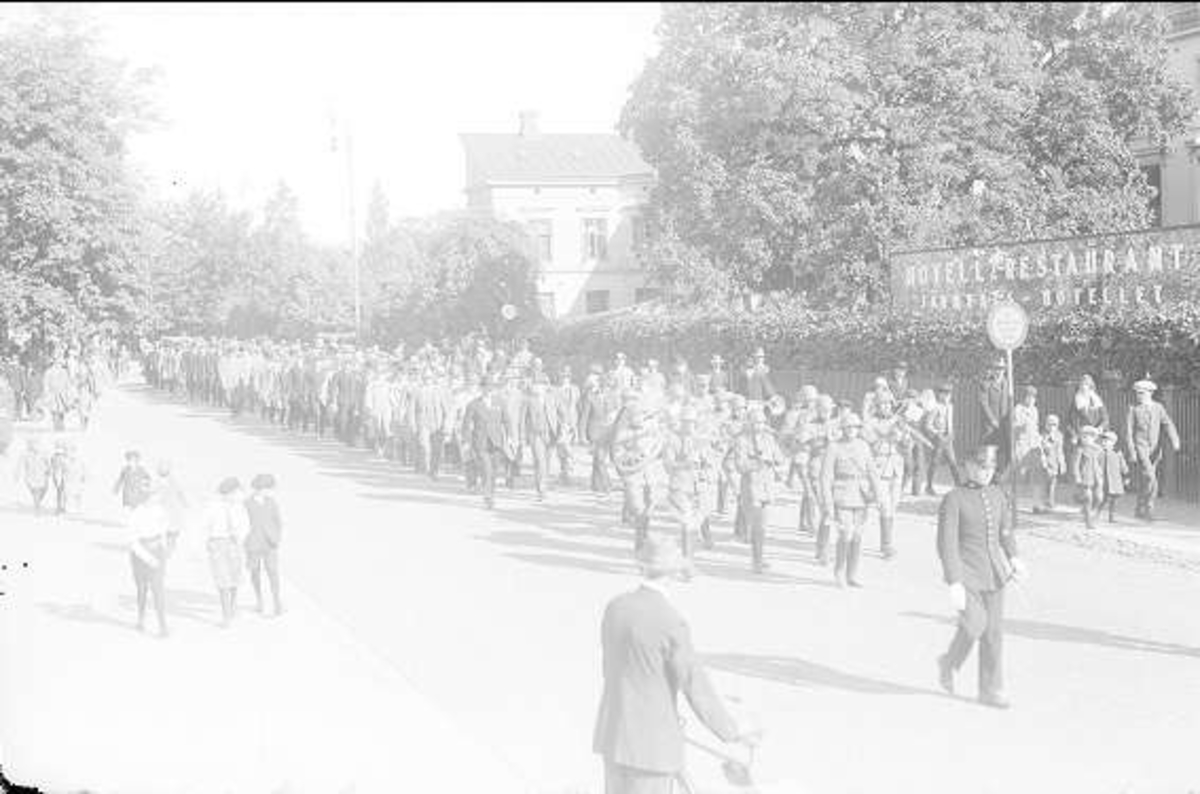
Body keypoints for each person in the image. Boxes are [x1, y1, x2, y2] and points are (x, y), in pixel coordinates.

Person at [592, 534, 759, 793]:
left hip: (613, 736)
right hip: (651, 747)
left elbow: (610, 669)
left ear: (643, 567)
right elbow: (694, 685)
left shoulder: (616, 607)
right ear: (673, 574)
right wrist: (731, 732)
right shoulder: (670, 621)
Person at [936, 445, 1027, 710]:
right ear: (968, 466)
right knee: (974, 623)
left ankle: (990, 689)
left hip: (995, 573)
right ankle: (949, 662)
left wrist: (1014, 558)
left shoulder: (997, 494)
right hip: (967, 573)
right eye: (981, 467)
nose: (986, 472)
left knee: (993, 633)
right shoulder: (954, 499)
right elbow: (946, 543)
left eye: (990, 467)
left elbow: (1005, 531)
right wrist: (954, 580)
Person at [821, 413, 881, 587]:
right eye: (848, 427)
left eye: (855, 427)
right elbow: (826, 477)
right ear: (842, 429)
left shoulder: (863, 446)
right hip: (842, 495)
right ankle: (839, 572)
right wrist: (828, 503)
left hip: (861, 495)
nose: (852, 430)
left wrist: (878, 496)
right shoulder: (834, 447)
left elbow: (872, 472)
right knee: (845, 534)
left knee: (857, 536)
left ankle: (852, 575)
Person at [732, 404, 785, 574]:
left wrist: (773, 458)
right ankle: (757, 561)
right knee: (757, 526)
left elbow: (780, 458)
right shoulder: (741, 440)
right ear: (749, 423)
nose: (759, 426)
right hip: (751, 487)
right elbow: (740, 466)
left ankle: (759, 558)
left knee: (763, 527)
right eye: (755, 423)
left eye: (762, 423)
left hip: (766, 487)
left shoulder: (769, 439)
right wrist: (758, 463)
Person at [1125, 379, 1180, 521]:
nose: (1139, 396)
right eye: (1137, 393)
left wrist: (1174, 439)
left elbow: (1167, 424)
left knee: (1146, 480)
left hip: (1155, 450)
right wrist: (1132, 451)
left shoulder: (1158, 407)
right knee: (1151, 478)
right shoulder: (1133, 409)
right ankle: (1149, 508)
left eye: (1142, 393)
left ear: (1150, 393)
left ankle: (1139, 508)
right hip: (1140, 447)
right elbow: (1128, 432)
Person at [201, 477, 249, 627]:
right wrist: (206, 542)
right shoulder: (213, 506)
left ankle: (233, 606)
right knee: (222, 579)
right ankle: (226, 615)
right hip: (217, 542)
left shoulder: (239, 507)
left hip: (234, 543)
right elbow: (204, 525)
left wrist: (240, 537)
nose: (238, 495)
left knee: (235, 577)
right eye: (236, 492)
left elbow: (246, 525)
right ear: (229, 492)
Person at [127, 493, 173, 638]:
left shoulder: (159, 510)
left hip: (157, 551)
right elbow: (133, 542)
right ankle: (141, 619)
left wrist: (164, 549)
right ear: (145, 499)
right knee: (142, 589)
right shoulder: (136, 514)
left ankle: (163, 626)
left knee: (158, 589)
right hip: (140, 555)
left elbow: (164, 529)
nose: (156, 499)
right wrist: (148, 558)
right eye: (153, 497)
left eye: (156, 496)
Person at [244, 473, 284, 616]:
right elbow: (242, 523)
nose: (270, 491)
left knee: (273, 572)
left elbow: (278, 521)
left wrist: (276, 537)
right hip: (253, 543)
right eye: (268, 488)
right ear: (260, 488)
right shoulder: (246, 503)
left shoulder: (272, 502)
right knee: (255, 572)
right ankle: (259, 600)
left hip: (270, 543)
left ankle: (277, 602)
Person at [921, 382, 959, 494]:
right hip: (939, 439)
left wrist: (951, 432)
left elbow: (949, 421)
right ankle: (929, 486)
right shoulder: (935, 407)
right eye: (944, 394)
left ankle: (959, 485)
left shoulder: (950, 406)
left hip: (948, 438)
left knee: (953, 462)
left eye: (949, 394)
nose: (947, 396)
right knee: (934, 462)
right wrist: (937, 433)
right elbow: (928, 425)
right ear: (939, 395)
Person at [1031, 414, 1066, 514]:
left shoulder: (1059, 436)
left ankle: (1049, 503)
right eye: (1050, 424)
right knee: (1040, 484)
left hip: (1054, 463)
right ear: (1046, 425)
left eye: (1054, 424)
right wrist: (1044, 463)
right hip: (1043, 463)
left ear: (1058, 425)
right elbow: (1040, 450)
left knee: (1052, 484)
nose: (1052, 427)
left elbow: (1060, 451)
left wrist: (1062, 464)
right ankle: (1038, 505)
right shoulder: (1042, 436)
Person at [1071, 425, 1105, 530]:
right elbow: (1075, 465)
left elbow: (1101, 463)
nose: (1086, 439)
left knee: (1099, 498)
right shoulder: (1080, 450)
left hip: (1097, 476)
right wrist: (1077, 477)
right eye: (1084, 437)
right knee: (1088, 498)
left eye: (1089, 437)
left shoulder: (1098, 449)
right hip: (1086, 475)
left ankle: (1092, 512)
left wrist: (1101, 475)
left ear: (1094, 438)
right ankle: (1088, 521)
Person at [1100, 430, 1129, 524]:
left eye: (1106, 441)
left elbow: (1123, 465)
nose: (1104, 443)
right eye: (1103, 441)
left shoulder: (1117, 453)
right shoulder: (1099, 453)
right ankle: (1096, 513)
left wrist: (1126, 475)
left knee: (1114, 499)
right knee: (1102, 499)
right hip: (1103, 480)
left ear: (1113, 442)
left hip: (1115, 480)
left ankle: (1112, 516)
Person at [16, 438, 50, 514]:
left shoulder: (43, 453)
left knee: (44, 490)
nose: (33, 446)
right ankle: (37, 508)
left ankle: (37, 504)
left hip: (42, 475)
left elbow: (47, 462)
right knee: (36, 492)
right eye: (31, 444)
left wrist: (48, 470)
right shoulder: (25, 454)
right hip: (31, 476)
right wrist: (18, 474)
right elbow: (21, 464)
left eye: (35, 444)